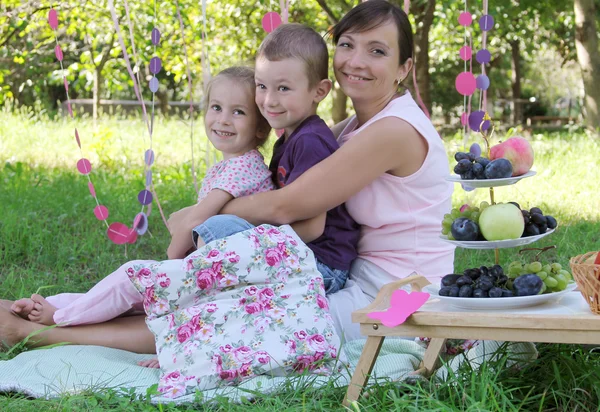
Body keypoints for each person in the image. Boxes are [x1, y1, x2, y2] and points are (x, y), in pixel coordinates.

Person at [0, 0, 453, 352]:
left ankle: (41, 335)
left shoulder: (394, 130)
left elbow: (288, 205)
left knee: (229, 315)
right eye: (348, 45)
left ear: (404, 68)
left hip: (401, 299)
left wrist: (204, 211)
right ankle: (61, 308)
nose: (355, 60)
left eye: (377, 51)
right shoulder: (352, 128)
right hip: (355, 279)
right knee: (209, 289)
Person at [9, 66, 279, 328]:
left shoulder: (245, 166)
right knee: (125, 295)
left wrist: (171, 267)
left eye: (239, 112)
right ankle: (47, 307)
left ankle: (57, 318)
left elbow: (193, 221)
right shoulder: (232, 165)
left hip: (230, 280)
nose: (223, 119)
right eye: (216, 107)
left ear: (261, 129)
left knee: (132, 277)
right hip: (216, 273)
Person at [175, 23, 361, 296]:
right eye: (262, 86)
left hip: (320, 264)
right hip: (300, 254)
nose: (269, 100)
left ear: (319, 91)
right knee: (218, 233)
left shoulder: (311, 142)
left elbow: (313, 226)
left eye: (283, 88)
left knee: (217, 228)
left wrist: (254, 241)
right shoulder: (290, 139)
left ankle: (187, 283)